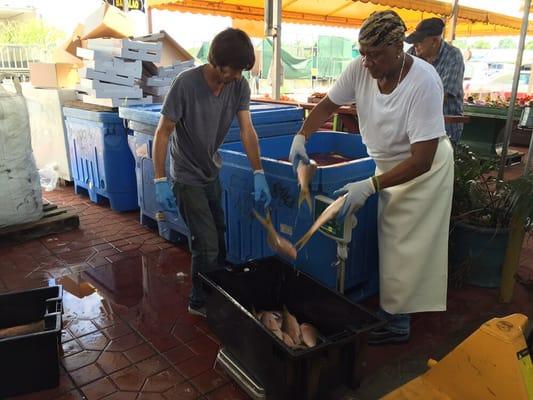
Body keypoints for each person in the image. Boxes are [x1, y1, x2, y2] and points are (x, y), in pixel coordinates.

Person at [289, 10, 454, 344]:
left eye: (375, 55)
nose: (367, 63)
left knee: (404, 244)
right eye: (363, 54)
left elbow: (422, 159)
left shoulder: (424, 82)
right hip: (389, 164)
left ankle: (397, 323)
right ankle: (395, 312)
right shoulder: (360, 69)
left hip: (424, 171)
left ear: (398, 48)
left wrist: (370, 185)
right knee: (393, 242)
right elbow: (327, 105)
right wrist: (301, 137)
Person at [152, 28, 272, 318]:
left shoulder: (239, 86)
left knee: (219, 236)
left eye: (241, 71)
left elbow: (247, 129)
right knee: (205, 244)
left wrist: (259, 171)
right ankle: (199, 301)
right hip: (185, 175)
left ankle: (215, 291)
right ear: (215, 62)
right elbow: (163, 132)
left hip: (211, 172)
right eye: (232, 70)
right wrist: (160, 180)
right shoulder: (186, 84)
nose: (236, 77)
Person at [405, 18, 465, 144]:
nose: (414, 45)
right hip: (414, 125)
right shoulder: (411, 54)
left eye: (419, 41)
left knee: (437, 161)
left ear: (434, 41)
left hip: (445, 126)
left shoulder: (453, 55)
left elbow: (443, 94)